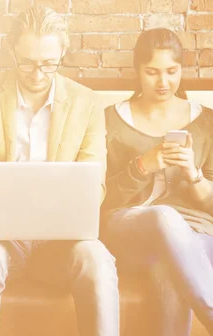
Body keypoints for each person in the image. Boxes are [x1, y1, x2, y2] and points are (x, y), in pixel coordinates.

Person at [0, 6, 119, 336]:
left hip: (60, 241)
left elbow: (93, 183)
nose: (37, 74)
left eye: (48, 64)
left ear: (62, 53)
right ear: (11, 50)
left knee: (97, 259)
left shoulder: (86, 103)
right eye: (26, 62)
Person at [102, 27, 213, 336]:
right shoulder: (111, 120)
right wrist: (141, 166)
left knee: (170, 269)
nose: (163, 83)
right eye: (152, 72)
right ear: (137, 70)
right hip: (130, 231)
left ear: (182, 70)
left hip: (196, 235)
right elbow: (99, 198)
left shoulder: (207, 122)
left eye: (172, 71)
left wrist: (194, 174)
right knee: (165, 215)